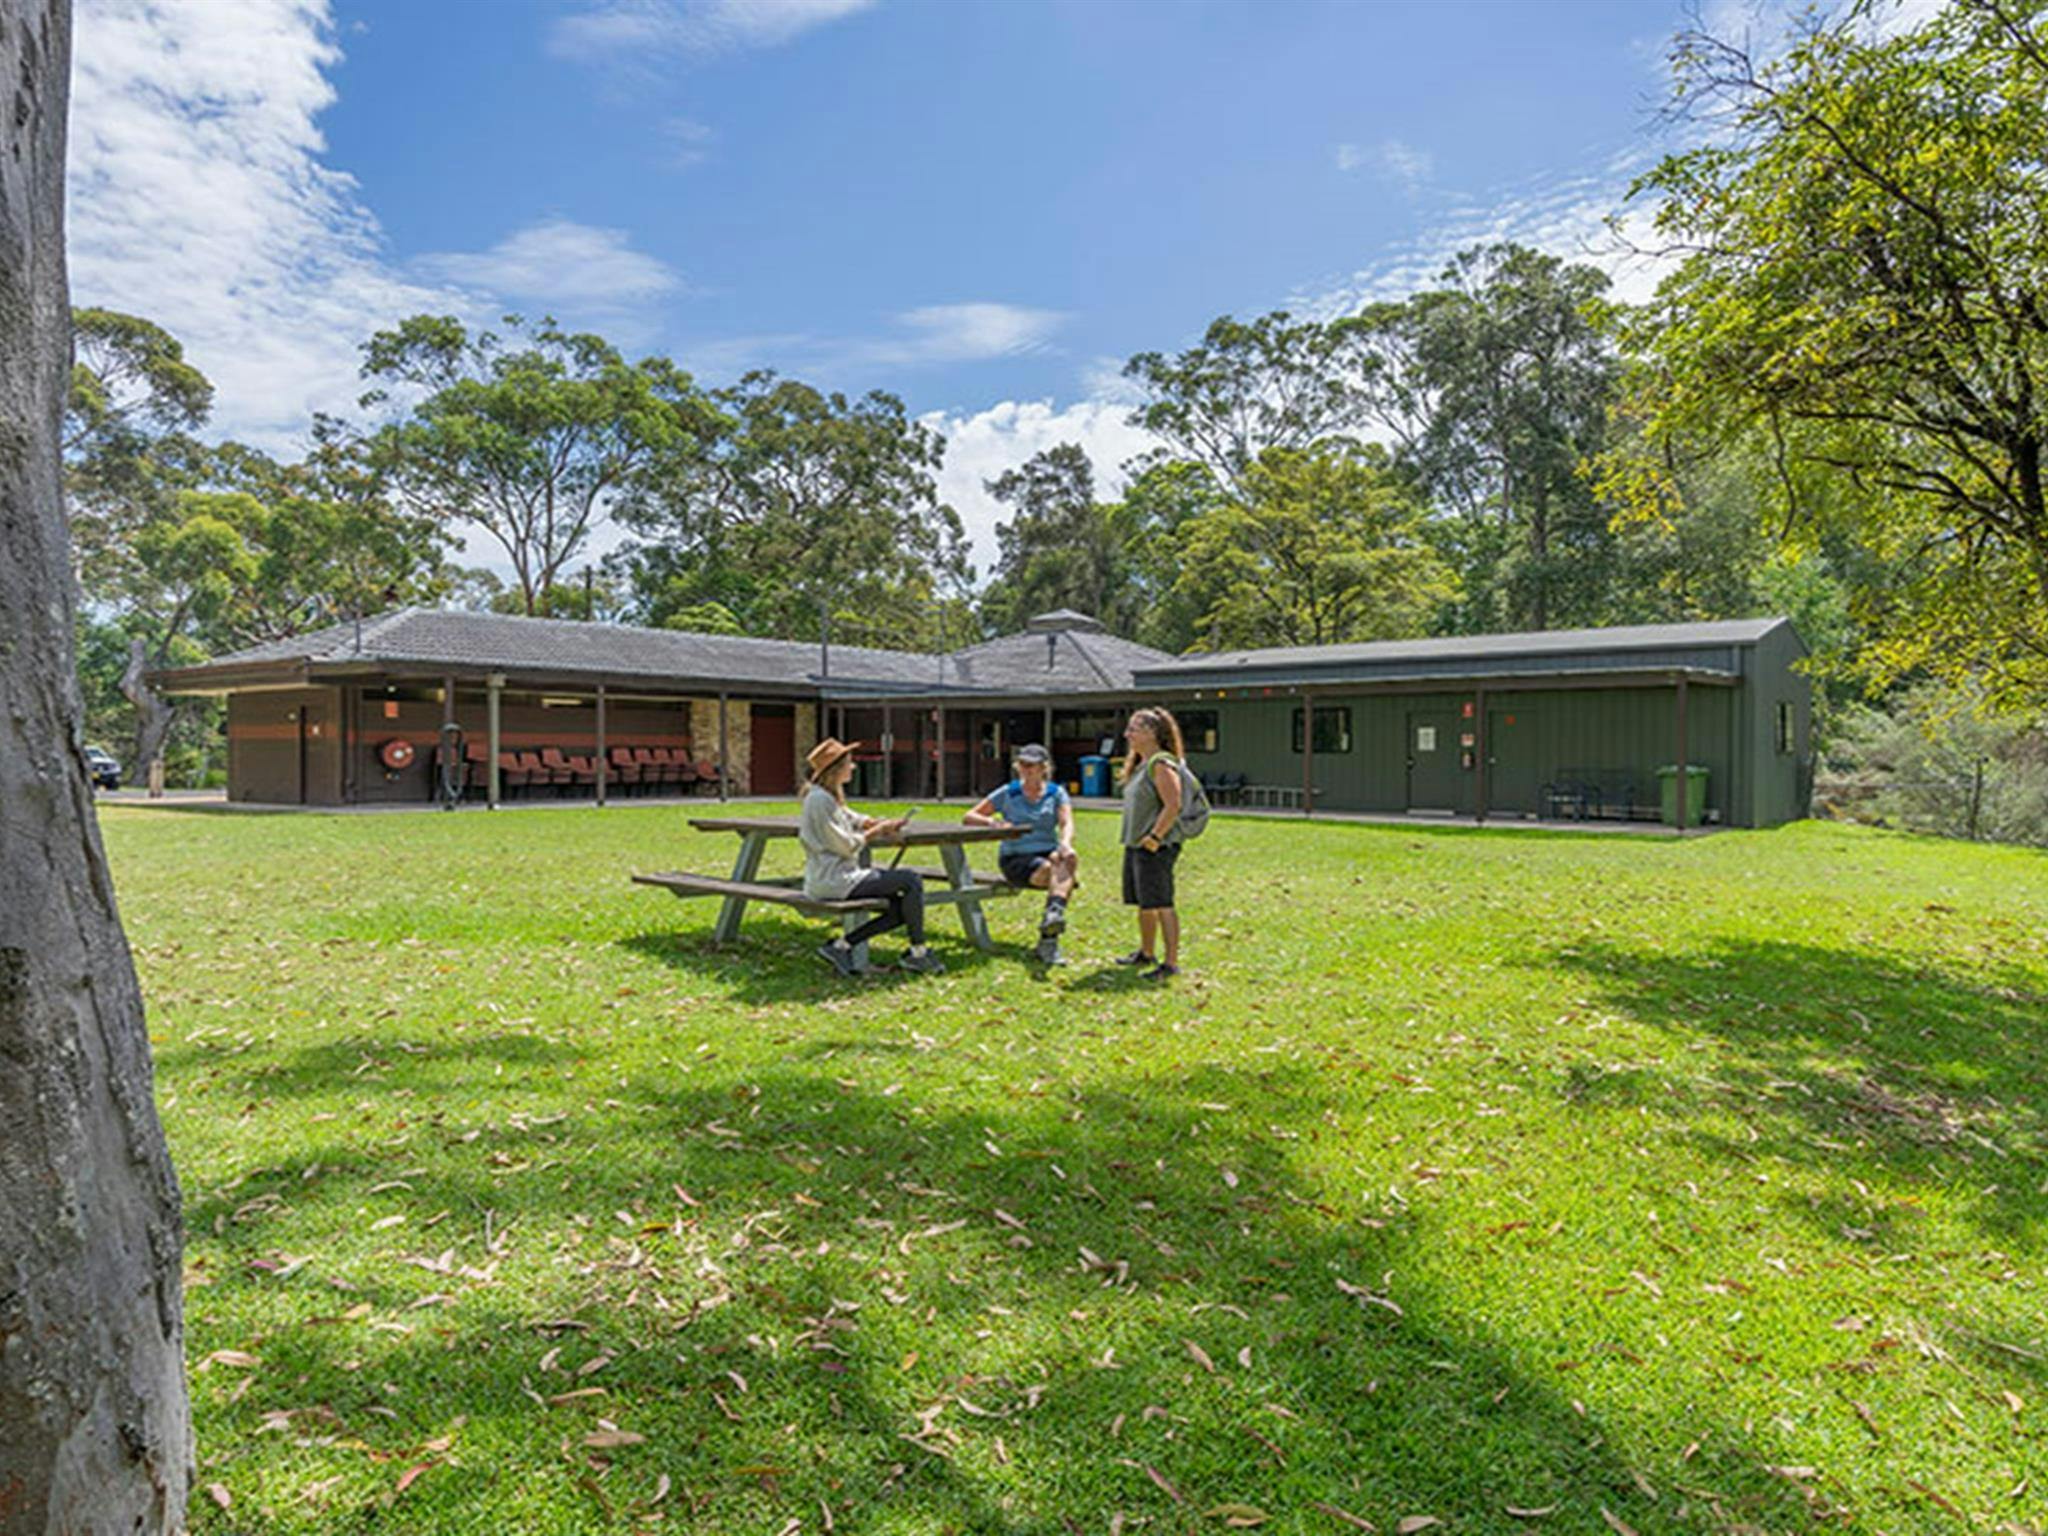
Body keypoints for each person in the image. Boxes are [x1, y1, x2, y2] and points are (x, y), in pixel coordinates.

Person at [799, 737, 945, 978]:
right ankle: (918, 954)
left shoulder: (824, 796)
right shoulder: (819, 801)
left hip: (836, 878)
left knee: (903, 908)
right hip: (834, 880)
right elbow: (845, 845)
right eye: (849, 762)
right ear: (835, 769)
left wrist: (874, 822)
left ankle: (840, 947)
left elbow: (848, 816)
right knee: (911, 880)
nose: (853, 767)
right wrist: (874, 832)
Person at [963, 743, 1077, 965]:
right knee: (1059, 875)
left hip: (1048, 853)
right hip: (1016, 858)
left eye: (1031, 765)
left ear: (1044, 767)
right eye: (1023, 764)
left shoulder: (1056, 793)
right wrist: (992, 823)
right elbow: (969, 816)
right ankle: (1050, 934)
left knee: (1067, 859)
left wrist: (1065, 843)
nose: (1026, 769)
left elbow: (1066, 822)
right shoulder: (1009, 792)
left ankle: (1051, 924)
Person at [1116, 706, 1186, 982]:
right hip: (1138, 844)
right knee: (1145, 903)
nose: (1127, 734)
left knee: (1162, 902)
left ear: (1152, 733)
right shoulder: (1141, 765)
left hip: (1155, 845)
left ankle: (1170, 963)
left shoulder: (1161, 763)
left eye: (1133, 729)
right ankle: (1146, 953)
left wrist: (1155, 837)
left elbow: (1174, 805)